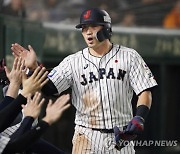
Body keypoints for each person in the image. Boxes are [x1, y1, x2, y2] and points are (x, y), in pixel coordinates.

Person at [11, 8, 158, 153]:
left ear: (106, 28)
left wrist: (139, 116)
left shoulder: (129, 56)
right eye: (84, 28)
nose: (88, 32)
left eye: (93, 26)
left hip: (120, 136)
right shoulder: (73, 61)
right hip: (86, 135)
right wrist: (35, 67)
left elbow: (145, 90)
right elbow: (50, 88)